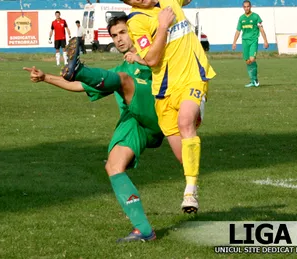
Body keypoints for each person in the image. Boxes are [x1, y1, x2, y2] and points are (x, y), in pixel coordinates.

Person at [24, 16, 163, 243]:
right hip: (134, 122)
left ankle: (79, 68)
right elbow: (78, 86)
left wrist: (143, 58)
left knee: (124, 79)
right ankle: (144, 230)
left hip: (156, 112)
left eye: (122, 33)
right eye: (114, 36)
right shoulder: (117, 71)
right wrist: (45, 77)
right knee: (113, 166)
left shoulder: (152, 54)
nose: (119, 39)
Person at [118, 0, 216, 214]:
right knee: (185, 159)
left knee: (185, 122)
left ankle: (190, 193)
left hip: (193, 78)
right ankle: (192, 180)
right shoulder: (136, 22)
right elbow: (152, 59)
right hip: (164, 90)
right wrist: (162, 26)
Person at [232, 0, 269, 88]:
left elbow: (261, 29)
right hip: (245, 41)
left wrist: (265, 41)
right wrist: (234, 42)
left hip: (253, 40)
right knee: (248, 62)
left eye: (248, 6)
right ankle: (253, 81)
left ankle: (255, 80)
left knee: (252, 59)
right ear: (243, 8)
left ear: (250, 6)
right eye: (245, 7)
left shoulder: (256, 17)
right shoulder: (241, 18)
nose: (246, 8)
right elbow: (238, 31)